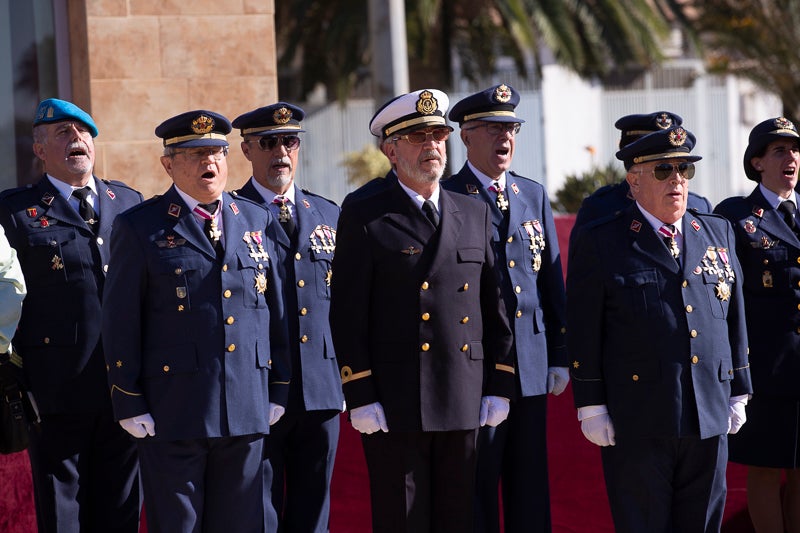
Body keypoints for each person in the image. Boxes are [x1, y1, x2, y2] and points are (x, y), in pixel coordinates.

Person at [329, 89, 516, 533]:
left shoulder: (472, 211)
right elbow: (347, 312)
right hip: (397, 400)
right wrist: (361, 393)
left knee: (459, 518)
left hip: (463, 392)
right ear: (390, 150)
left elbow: (496, 306)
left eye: (438, 135)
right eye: (418, 137)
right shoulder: (366, 211)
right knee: (404, 518)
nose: (432, 146)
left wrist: (499, 383)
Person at [101, 110, 290, 533]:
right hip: (175, 410)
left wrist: (279, 385)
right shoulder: (140, 226)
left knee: (245, 524)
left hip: (246, 406)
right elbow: (120, 321)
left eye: (217, 152)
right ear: (168, 164)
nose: (210, 163)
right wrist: (128, 398)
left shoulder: (255, 219)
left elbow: (274, 313)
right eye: (195, 153)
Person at [567, 123, 752, 532]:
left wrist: (739, 386)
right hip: (640, 416)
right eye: (664, 170)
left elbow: (734, 314)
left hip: (709, 409)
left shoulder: (715, 231)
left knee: (703, 524)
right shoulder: (604, 240)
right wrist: (591, 403)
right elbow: (583, 326)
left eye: (684, 170)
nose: (677, 181)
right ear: (634, 181)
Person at [0, 98, 143, 532]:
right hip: (54, 394)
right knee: (64, 516)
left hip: (125, 391)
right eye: (62, 133)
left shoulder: (129, 204)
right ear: (39, 149)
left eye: (84, 133)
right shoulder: (13, 211)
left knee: (120, 510)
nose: (76, 139)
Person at [442, 83, 567, 533]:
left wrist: (558, 355)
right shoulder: (448, 197)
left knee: (530, 488)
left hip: (530, 366)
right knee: (477, 486)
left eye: (511, 128)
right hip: (476, 370)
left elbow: (550, 282)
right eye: (493, 129)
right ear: (466, 137)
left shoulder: (531, 194)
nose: (505, 139)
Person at [231, 102, 344, 533]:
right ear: (246, 150)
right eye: (268, 142)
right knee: (261, 515)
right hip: (257, 390)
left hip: (320, 388)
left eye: (290, 141)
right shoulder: (232, 213)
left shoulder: (328, 214)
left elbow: (346, 305)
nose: (281, 151)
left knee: (314, 513)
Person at [714, 116, 800, 533]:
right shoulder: (736, 216)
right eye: (779, 151)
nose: (791, 158)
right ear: (757, 163)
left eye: (795, 149)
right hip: (764, 367)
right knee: (766, 469)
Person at [572, 111, 712, 236]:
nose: (675, 177)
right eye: (662, 168)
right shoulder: (600, 207)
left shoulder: (699, 205)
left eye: (683, 167)